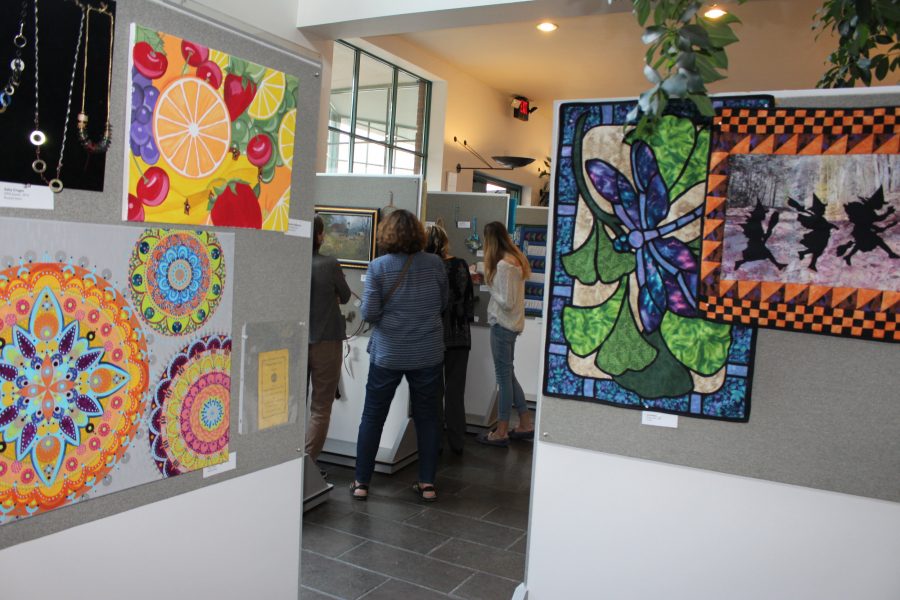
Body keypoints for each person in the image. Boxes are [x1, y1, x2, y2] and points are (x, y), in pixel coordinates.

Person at [351, 210, 448, 502]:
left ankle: (361, 483)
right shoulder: (435, 265)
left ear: (387, 234)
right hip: (428, 352)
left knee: (373, 416)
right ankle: (427, 483)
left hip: (389, 353)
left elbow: (369, 313)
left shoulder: (378, 267)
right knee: (429, 419)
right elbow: (443, 302)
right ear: (418, 234)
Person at [477, 221, 535, 447]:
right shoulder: (517, 261)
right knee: (509, 375)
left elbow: (507, 302)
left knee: (503, 378)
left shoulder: (503, 265)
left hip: (502, 326)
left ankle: (501, 431)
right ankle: (525, 423)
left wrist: (486, 283)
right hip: (512, 327)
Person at [306, 216, 352, 469]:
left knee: (292, 406)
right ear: (320, 235)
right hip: (326, 340)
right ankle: (307, 463)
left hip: (295, 342)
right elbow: (345, 296)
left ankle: (289, 466)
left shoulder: (290, 262)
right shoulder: (330, 264)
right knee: (321, 407)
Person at [426, 223, 475, 455]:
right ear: (446, 242)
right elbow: (467, 300)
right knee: (456, 392)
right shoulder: (461, 265)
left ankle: (434, 442)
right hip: (459, 336)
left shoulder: (425, 268)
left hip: (433, 337)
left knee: (435, 392)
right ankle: (457, 442)